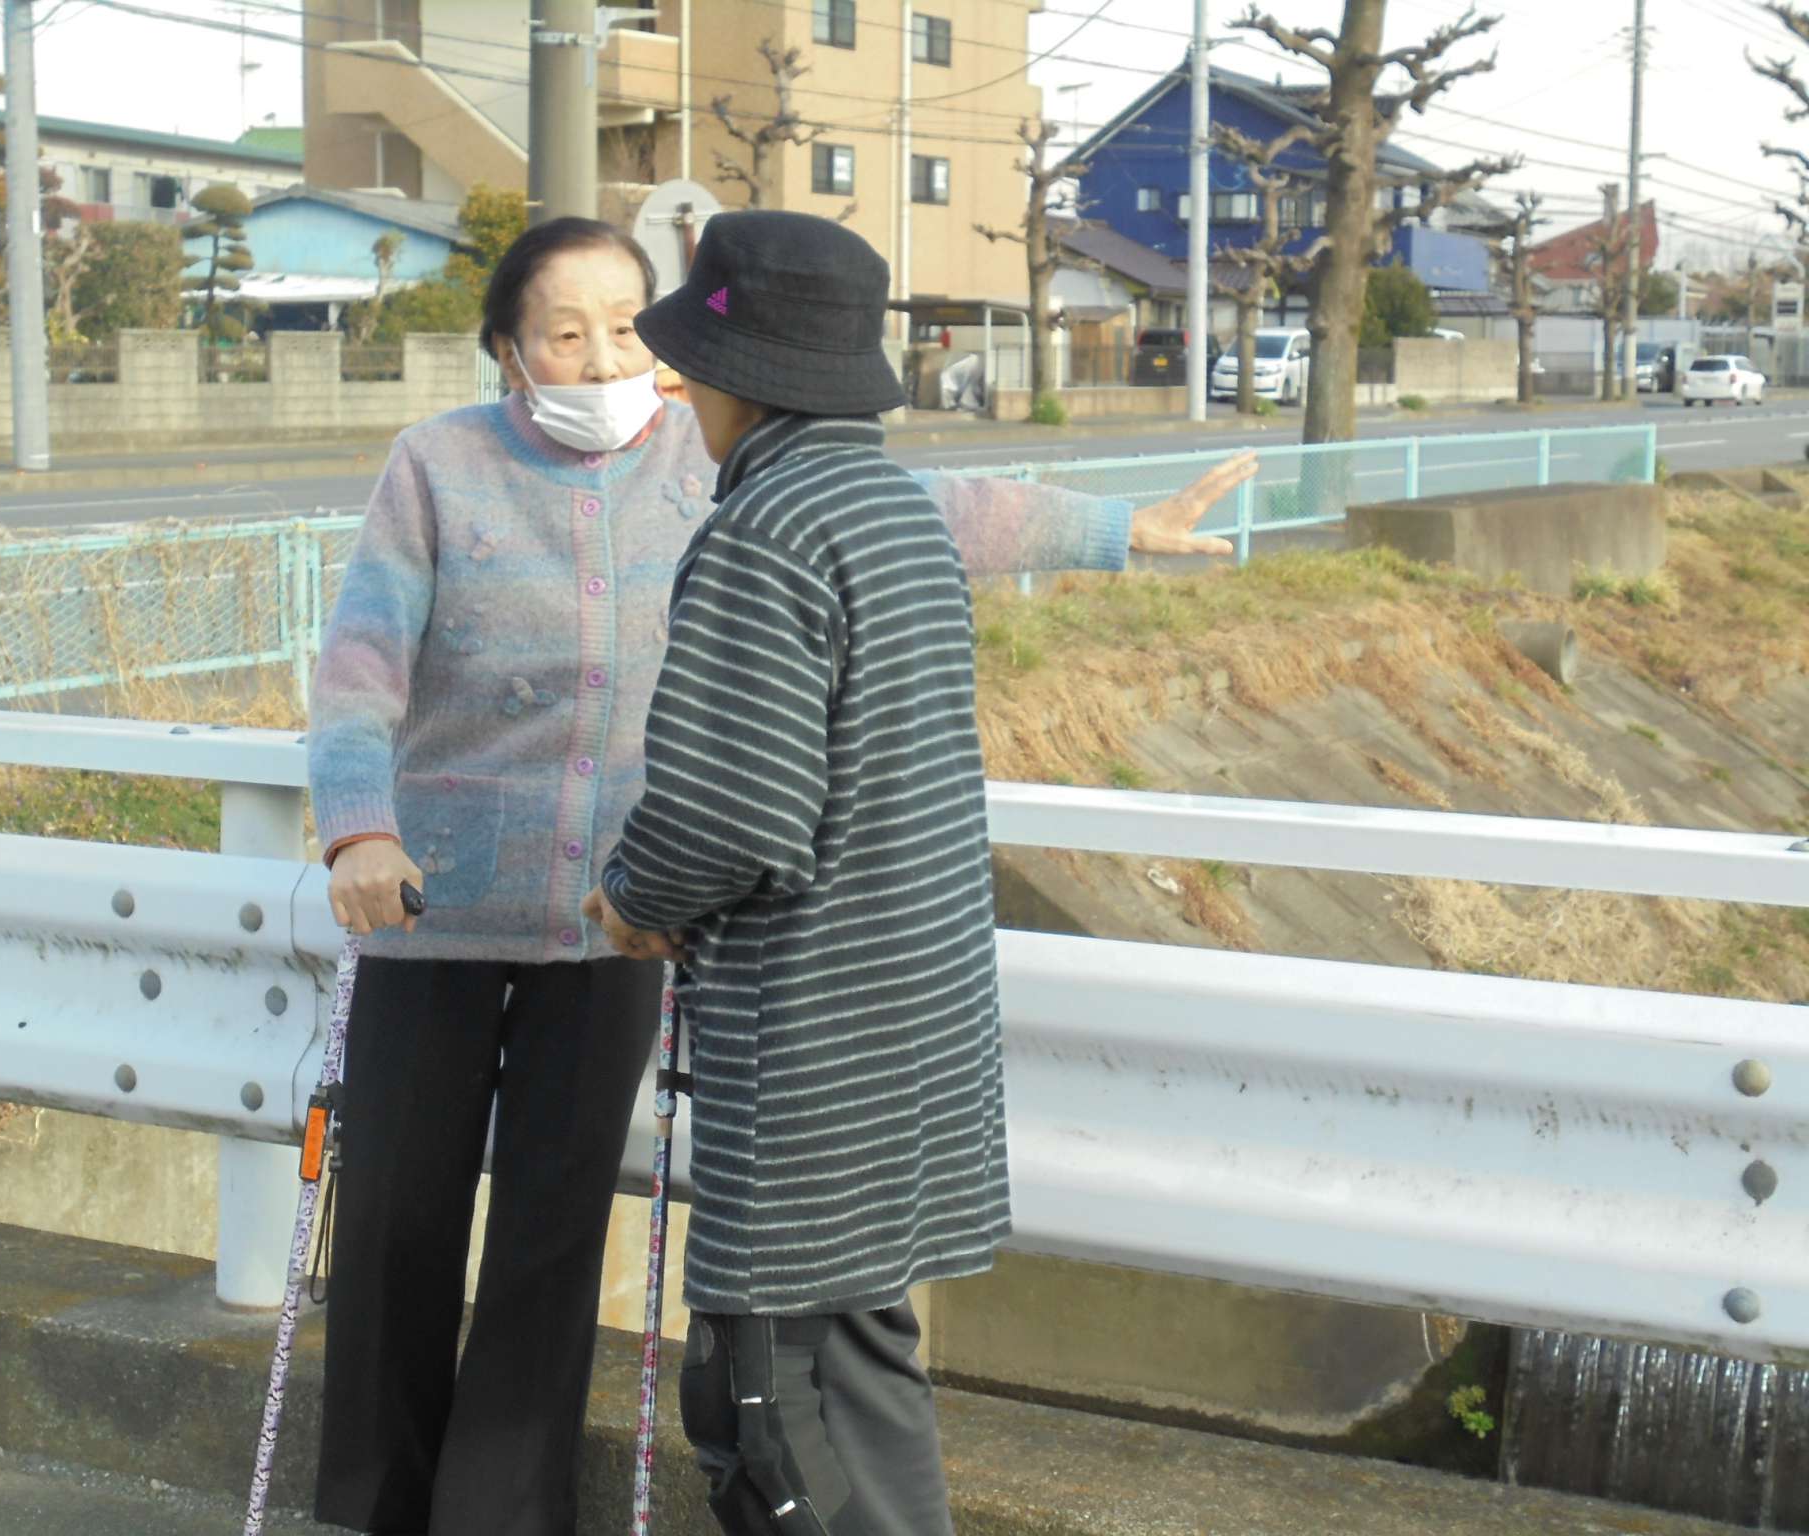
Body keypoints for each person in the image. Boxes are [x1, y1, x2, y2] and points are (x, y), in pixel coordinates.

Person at [306, 214, 1251, 1536]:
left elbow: (927, 509)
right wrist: (359, 827)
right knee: (393, 1231)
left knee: (550, 1247)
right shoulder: (438, 463)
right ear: (508, 350)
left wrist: (1115, 527)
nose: (601, 361)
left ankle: (500, 1519)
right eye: (564, 334)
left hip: (621, 926)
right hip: (434, 906)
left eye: (624, 329)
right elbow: (360, 667)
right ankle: (370, 1511)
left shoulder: (713, 461)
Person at [585, 210, 1039, 1534]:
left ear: (747, 377)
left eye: (692, 364)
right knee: (859, 1369)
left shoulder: (767, 527)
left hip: (813, 1032)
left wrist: (634, 900)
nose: (680, 390)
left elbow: (735, 809)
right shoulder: (890, 510)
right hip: (912, 1013)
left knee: (783, 1418)